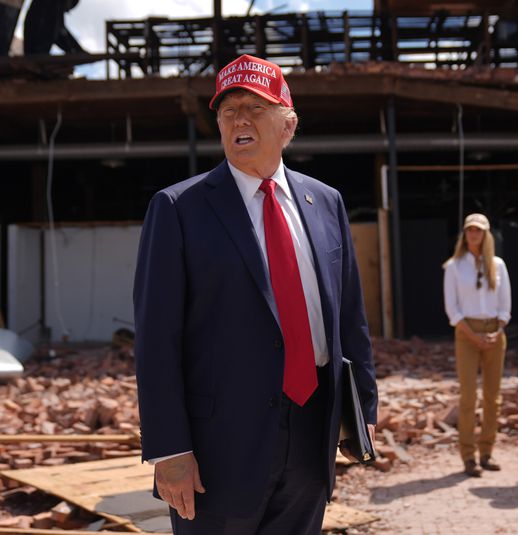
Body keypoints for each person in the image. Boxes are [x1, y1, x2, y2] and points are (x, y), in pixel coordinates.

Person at [133, 54, 377, 535]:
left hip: (311, 433)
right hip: (216, 445)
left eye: (255, 107)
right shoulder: (178, 209)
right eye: (228, 111)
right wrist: (170, 449)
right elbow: (156, 339)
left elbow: (350, 317)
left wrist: (360, 413)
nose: (239, 119)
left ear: (288, 125)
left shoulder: (325, 201)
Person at [443, 213, 511, 477]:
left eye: (479, 230)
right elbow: (452, 308)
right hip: (466, 332)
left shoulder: (498, 265)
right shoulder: (454, 266)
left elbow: (506, 304)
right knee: (469, 396)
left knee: (493, 397)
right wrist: (473, 336)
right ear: (464, 233)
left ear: (486, 234)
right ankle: (468, 456)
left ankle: (487, 452)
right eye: (470, 230)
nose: (474, 234)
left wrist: (498, 330)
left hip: (495, 332)